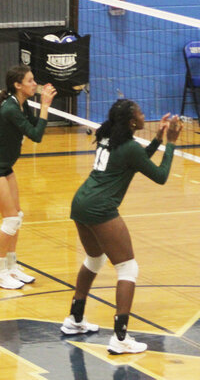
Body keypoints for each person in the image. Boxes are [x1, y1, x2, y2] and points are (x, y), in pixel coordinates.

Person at [62, 100, 182, 354]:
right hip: (100, 208)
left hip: (81, 202)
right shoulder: (127, 147)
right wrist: (171, 142)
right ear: (131, 122)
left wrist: (158, 139)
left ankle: (75, 319)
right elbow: (160, 176)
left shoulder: (109, 138)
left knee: (94, 259)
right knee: (128, 267)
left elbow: (136, 161)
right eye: (139, 112)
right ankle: (120, 338)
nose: (143, 114)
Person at [0, 65, 57, 290]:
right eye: (30, 81)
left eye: (34, 80)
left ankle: (10, 266)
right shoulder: (10, 108)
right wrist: (45, 106)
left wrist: (40, 106)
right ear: (17, 85)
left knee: (17, 216)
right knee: (10, 219)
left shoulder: (22, 104)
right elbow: (36, 135)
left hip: (4, 166)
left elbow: (32, 127)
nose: (35, 84)